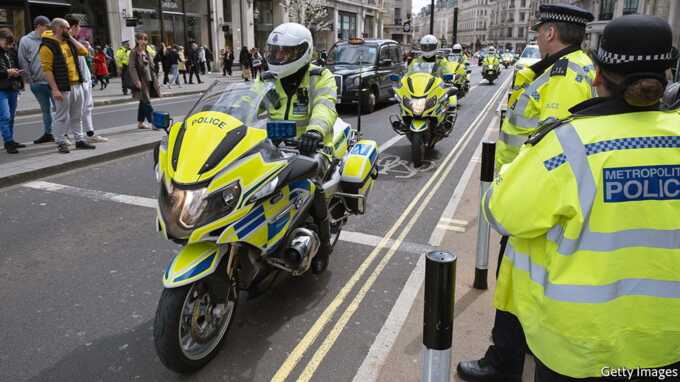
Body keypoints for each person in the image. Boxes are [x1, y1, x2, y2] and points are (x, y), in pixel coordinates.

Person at [483, 14, 680, 382]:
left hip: (578, 348)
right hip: (667, 346)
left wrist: (513, 171)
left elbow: (502, 213)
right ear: (667, 75)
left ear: (598, 76)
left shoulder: (568, 145)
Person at [457, 4, 596, 382]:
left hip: (535, 197)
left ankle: (503, 363)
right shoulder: (569, 67)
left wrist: (517, 188)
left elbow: (553, 143)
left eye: (539, 31)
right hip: (535, 192)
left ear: (551, 33)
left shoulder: (565, 76)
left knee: (517, 281)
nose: (535, 36)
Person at [258, 22, 337, 272]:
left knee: (312, 186)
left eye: (285, 52)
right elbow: (247, 105)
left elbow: (326, 105)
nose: (278, 57)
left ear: (302, 52)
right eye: (275, 51)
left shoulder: (319, 77)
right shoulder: (267, 80)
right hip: (273, 146)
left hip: (313, 146)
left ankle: (323, 247)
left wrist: (314, 132)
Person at [39, 18, 95, 153]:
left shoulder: (68, 42)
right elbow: (47, 70)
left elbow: (84, 52)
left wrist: (70, 38)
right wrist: (55, 89)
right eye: (66, 28)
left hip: (77, 84)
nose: (69, 30)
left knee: (77, 115)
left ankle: (79, 140)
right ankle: (60, 142)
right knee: (62, 116)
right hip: (63, 86)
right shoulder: (47, 46)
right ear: (58, 28)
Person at [65, 15, 107, 144]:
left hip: (85, 78)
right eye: (78, 27)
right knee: (72, 110)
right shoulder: (66, 41)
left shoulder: (75, 41)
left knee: (87, 107)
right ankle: (64, 135)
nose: (80, 29)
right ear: (72, 27)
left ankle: (90, 133)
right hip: (76, 80)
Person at [17, 15, 54, 144]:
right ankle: (49, 133)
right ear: (39, 26)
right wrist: (30, 80)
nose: (48, 29)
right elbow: (23, 60)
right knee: (45, 110)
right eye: (46, 26)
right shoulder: (25, 40)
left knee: (60, 109)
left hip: (54, 82)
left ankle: (62, 134)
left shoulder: (50, 38)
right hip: (37, 83)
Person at [128, 32, 161, 129]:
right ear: (137, 40)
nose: (143, 41)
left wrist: (156, 80)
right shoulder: (134, 52)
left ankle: (140, 122)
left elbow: (151, 66)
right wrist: (136, 80)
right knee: (146, 102)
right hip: (141, 80)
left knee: (143, 102)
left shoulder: (146, 52)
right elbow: (132, 67)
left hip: (149, 79)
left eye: (145, 39)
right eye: (141, 39)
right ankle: (154, 123)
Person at [0, 29, 24, 154]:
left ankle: (11, 140)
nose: (9, 46)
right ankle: (8, 142)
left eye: (11, 43)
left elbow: (16, 65)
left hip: (13, 87)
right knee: (5, 116)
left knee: (11, 117)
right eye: (7, 43)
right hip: (1, 89)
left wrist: (18, 76)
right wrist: (8, 72)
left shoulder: (10, 52)